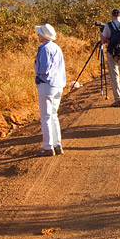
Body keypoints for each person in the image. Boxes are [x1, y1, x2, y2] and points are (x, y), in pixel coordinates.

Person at [34, 23, 66, 156]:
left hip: (46, 85)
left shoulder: (44, 49)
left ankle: (47, 147)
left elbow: (44, 69)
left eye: (39, 33)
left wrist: (37, 70)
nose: (38, 35)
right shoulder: (57, 48)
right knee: (53, 115)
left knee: (46, 116)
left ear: (44, 35)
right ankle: (57, 144)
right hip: (58, 85)